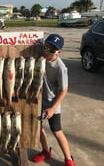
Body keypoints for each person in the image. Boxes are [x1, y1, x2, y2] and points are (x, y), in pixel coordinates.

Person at [33, 34, 76, 166]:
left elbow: (63, 90)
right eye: (45, 47)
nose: (46, 52)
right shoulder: (39, 59)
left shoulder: (61, 68)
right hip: (39, 102)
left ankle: (68, 159)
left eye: (51, 51)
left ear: (58, 52)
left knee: (57, 131)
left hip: (53, 104)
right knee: (38, 128)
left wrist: (52, 109)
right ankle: (46, 151)